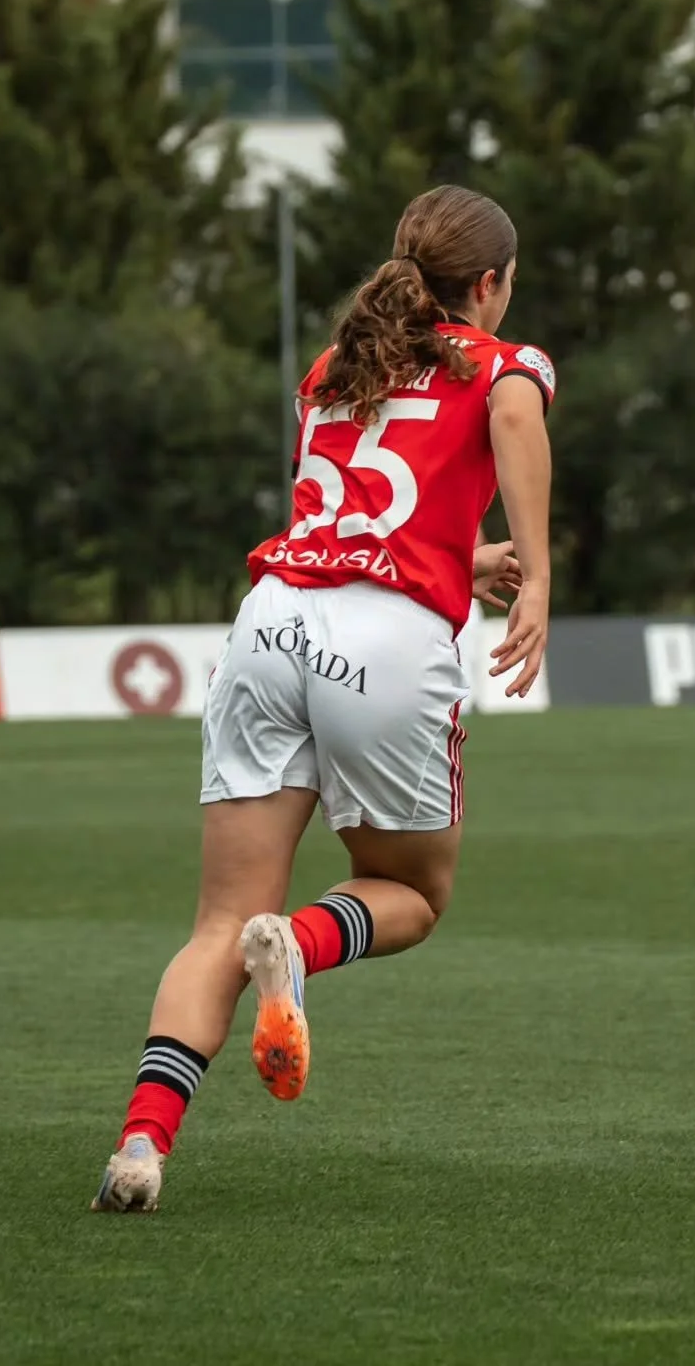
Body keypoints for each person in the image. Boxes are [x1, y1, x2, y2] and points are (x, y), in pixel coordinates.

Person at [92, 184, 553, 1213]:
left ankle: (140, 1146)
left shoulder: (332, 368)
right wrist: (539, 573)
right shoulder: (503, 360)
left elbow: (351, 508)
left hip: (272, 624)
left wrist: (453, 558)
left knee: (217, 920)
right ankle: (295, 946)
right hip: (382, 650)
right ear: (486, 285)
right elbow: (512, 406)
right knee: (414, 896)